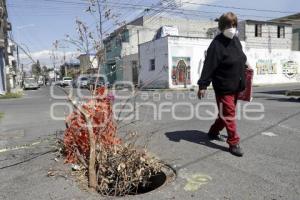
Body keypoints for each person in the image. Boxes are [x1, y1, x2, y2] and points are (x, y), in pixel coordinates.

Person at [197, 12, 247, 157]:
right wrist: (202, 86)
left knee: (224, 113)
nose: (232, 28)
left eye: (234, 25)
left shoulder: (235, 41)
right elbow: (209, 66)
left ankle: (213, 132)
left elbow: (241, 57)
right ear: (222, 26)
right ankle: (233, 142)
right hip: (223, 86)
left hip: (236, 85)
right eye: (228, 25)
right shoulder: (216, 44)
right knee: (229, 114)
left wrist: (247, 65)